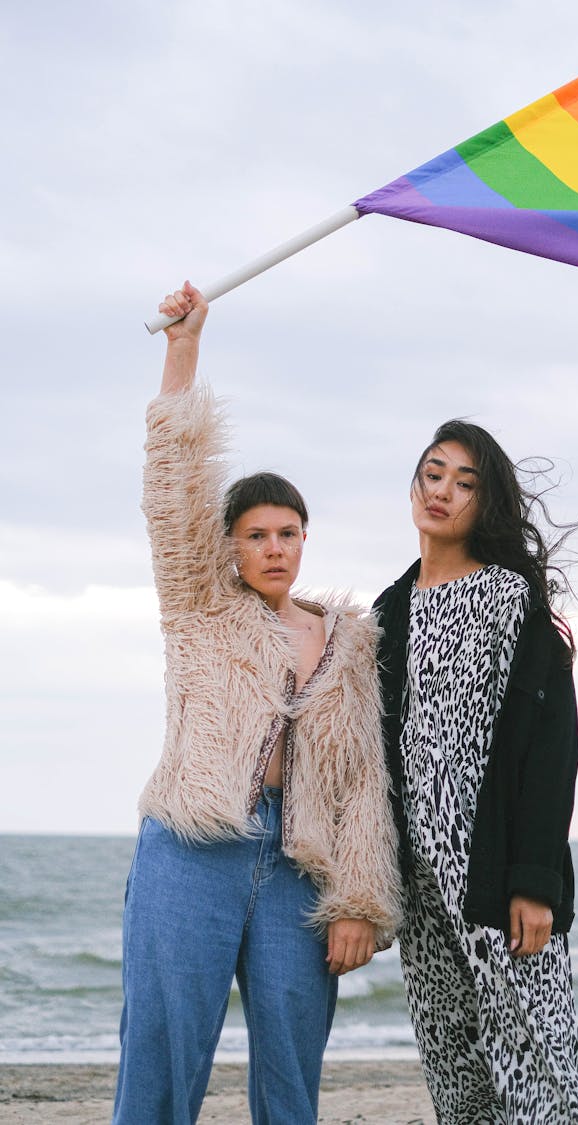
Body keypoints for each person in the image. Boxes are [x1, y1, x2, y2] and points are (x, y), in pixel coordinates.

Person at [112, 282, 401, 1125]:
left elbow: (359, 782)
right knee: (161, 1063)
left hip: (294, 870)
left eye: (288, 532)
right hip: (192, 850)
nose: (274, 547)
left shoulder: (351, 640)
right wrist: (183, 349)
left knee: (291, 1072)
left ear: (306, 538)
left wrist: (356, 901)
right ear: (230, 547)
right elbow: (172, 486)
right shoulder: (199, 606)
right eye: (256, 534)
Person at [374, 421, 578, 1124]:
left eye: (465, 483)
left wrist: (534, 880)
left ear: (488, 502)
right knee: (458, 1074)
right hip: (420, 889)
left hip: (496, 879)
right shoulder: (388, 611)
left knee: (543, 1073)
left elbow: (551, 748)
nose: (442, 491)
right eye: (434, 473)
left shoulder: (509, 598)